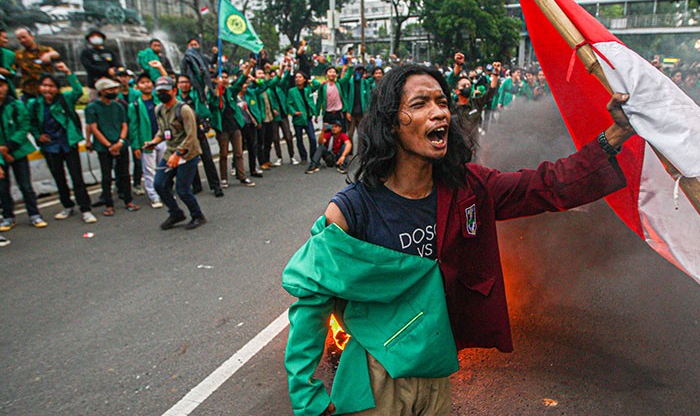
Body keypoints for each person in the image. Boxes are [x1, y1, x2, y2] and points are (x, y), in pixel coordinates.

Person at [282, 64, 635, 415]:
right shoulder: (351, 210)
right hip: (375, 381)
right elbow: (312, 303)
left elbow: (547, 185)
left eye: (442, 102)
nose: (439, 113)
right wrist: (306, 397)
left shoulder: (469, 188)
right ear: (391, 123)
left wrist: (613, 137)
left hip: (436, 377)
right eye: (420, 104)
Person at [27, 62, 97, 223]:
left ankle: (85, 209)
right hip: (50, 146)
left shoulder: (65, 99)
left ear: (57, 88)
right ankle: (68, 206)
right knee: (59, 178)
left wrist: (68, 72)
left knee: (77, 177)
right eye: (44, 86)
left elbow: (78, 91)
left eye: (51, 86)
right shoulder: (35, 104)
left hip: (68, 143)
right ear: (39, 87)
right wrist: (38, 136)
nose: (47, 89)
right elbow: (30, 122)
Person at [143, 76, 206, 230]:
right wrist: (154, 142)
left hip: (187, 154)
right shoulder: (159, 109)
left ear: (174, 91)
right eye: (159, 92)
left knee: (182, 189)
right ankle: (176, 213)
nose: (162, 94)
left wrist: (178, 154)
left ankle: (197, 215)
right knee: (159, 184)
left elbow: (192, 136)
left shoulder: (184, 110)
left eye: (165, 91)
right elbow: (162, 131)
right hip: (170, 152)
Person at [84, 77, 140, 216]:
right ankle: (109, 204)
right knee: (106, 176)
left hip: (120, 143)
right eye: (110, 89)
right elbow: (93, 128)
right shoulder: (92, 107)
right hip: (104, 146)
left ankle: (128, 201)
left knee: (125, 174)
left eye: (115, 89)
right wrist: (109, 145)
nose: (114, 91)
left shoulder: (118, 106)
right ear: (101, 91)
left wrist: (120, 141)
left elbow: (124, 125)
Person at [0, 74, 47, 229]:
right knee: (2, 187)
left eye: (2, 85)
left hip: (17, 150)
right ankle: (8, 216)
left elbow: (24, 126)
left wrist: (10, 146)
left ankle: (34, 214)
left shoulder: (16, 105)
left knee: (25, 185)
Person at [176, 74, 223, 197]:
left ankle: (216, 186)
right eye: (181, 82)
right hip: (184, 136)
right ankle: (196, 185)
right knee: (190, 161)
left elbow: (201, 111)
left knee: (208, 160)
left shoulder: (196, 96)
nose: (184, 84)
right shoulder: (176, 100)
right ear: (177, 85)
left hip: (199, 133)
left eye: (186, 82)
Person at [211, 63, 256, 187]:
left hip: (235, 126)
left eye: (226, 77)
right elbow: (213, 106)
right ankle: (224, 179)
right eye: (222, 77)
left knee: (239, 153)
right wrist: (217, 92)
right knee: (224, 154)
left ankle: (242, 177)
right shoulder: (213, 93)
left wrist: (249, 67)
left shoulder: (231, 91)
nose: (224, 79)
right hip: (222, 128)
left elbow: (241, 81)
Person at [127, 73, 165, 208]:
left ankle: (163, 192)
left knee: (163, 167)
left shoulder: (159, 101)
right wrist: (136, 146)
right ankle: (154, 195)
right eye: (142, 82)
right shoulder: (135, 105)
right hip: (147, 141)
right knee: (149, 170)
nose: (146, 85)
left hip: (161, 139)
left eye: (148, 82)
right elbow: (133, 127)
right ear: (137, 86)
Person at [281, 63, 320, 164]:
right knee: (299, 139)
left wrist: (311, 80)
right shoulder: (291, 91)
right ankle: (303, 157)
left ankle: (313, 157)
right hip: (298, 118)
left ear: (304, 79)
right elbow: (288, 104)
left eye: (300, 77)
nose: (297, 79)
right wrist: (294, 112)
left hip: (308, 117)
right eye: (296, 77)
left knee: (312, 138)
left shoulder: (308, 89)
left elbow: (317, 85)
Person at [14, 27, 60, 101]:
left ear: (31, 36)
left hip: (46, 92)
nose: (22, 40)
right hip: (29, 92)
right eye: (19, 39)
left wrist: (49, 55)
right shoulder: (18, 55)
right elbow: (12, 70)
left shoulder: (45, 50)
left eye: (24, 37)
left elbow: (57, 54)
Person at [79, 28, 120, 101]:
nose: (95, 38)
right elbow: (89, 67)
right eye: (92, 37)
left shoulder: (109, 52)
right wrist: (106, 71)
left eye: (97, 36)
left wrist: (114, 71)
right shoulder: (86, 53)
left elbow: (117, 64)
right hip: (94, 84)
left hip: (110, 84)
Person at [0, 29, 17, 97]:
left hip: (6, 92)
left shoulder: (10, 54)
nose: (6, 41)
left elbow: (13, 72)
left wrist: (6, 72)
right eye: (4, 38)